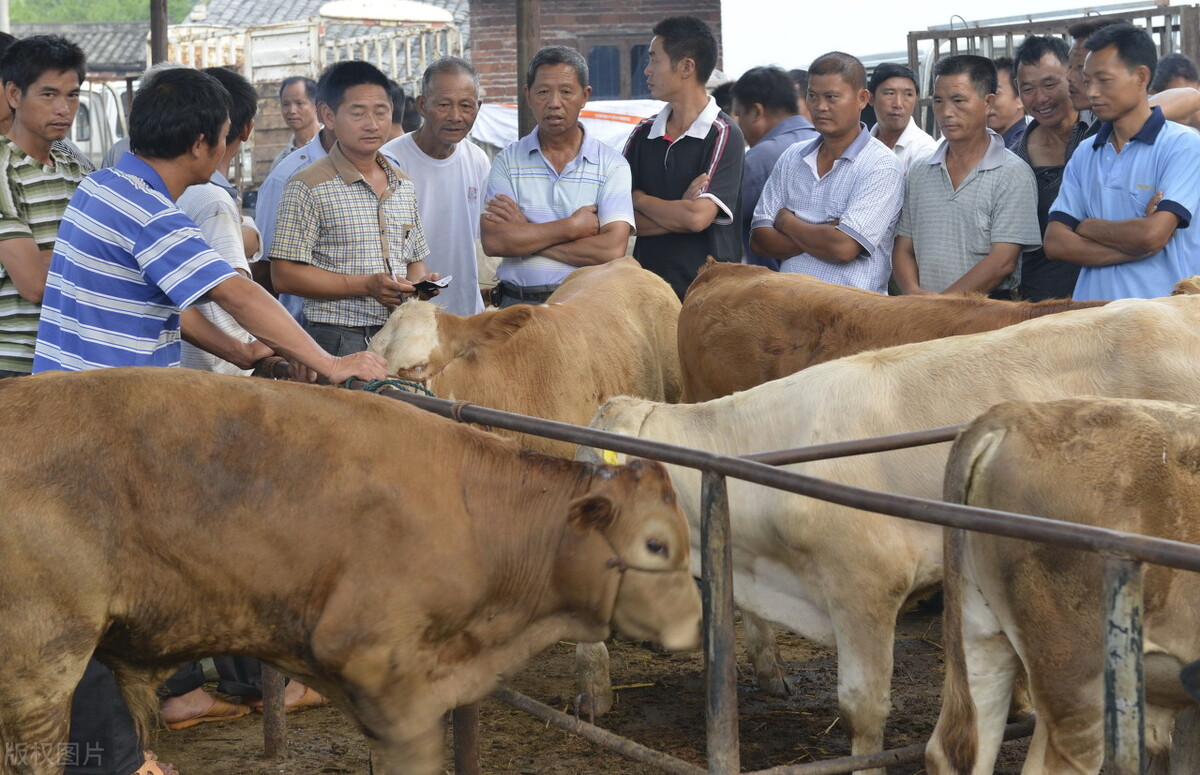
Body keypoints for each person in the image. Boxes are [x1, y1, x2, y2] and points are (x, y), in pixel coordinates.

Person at [33, 66, 386, 383]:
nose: (225, 147)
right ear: (201, 143)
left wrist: (238, 351)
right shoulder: (153, 215)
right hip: (111, 405)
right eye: (224, 135)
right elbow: (237, 294)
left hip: (63, 391)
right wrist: (331, 364)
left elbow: (168, 304)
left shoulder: (101, 185)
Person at [270, 60, 436, 354]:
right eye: (358, 113)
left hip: (399, 334)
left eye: (381, 112)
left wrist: (419, 284)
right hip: (336, 339)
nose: (373, 124)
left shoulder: (402, 184)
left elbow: (414, 261)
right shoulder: (306, 185)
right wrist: (365, 285)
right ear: (328, 116)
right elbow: (283, 275)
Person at [1044, 23, 1200, 301]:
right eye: (1088, 80)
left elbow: (1152, 235)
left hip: (1160, 328)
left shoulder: (1183, 146)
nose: (1092, 92)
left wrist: (1085, 226)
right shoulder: (1085, 152)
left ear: (1141, 77)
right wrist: (1135, 245)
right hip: (1092, 323)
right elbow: (1055, 242)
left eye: (1104, 81)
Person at [481, 46, 633, 307]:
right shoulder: (507, 161)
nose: (554, 102)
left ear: (585, 96)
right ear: (528, 95)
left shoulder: (611, 165)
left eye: (566, 91)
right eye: (543, 92)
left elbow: (610, 250)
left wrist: (526, 233)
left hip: (584, 311)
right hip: (516, 309)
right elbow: (495, 241)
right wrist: (571, 228)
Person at [748, 52, 903, 294]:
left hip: (849, 315)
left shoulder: (881, 165)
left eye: (832, 97)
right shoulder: (792, 156)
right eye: (812, 96)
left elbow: (843, 248)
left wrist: (786, 221)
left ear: (862, 98)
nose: (820, 107)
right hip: (787, 308)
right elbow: (759, 239)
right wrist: (825, 233)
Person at [893, 54, 1040, 297]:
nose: (946, 112)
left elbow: (1003, 261)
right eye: (938, 101)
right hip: (923, 313)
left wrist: (943, 305)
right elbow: (903, 248)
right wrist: (912, 293)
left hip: (986, 315)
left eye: (959, 100)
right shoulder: (920, 171)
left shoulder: (1012, 173)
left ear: (988, 102)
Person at [624, 15, 744, 298]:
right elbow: (618, 220)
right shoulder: (642, 134)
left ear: (686, 66)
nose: (647, 71)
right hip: (649, 293)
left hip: (708, 297)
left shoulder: (723, 133)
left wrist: (638, 198)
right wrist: (679, 207)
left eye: (654, 60)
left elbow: (696, 219)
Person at [382, 57, 490, 316]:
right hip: (408, 313)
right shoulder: (389, 161)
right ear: (422, 105)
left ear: (478, 107)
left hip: (466, 312)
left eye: (466, 106)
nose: (455, 116)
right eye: (443, 105)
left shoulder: (478, 159)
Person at [1011, 35, 1091, 301]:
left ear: (1071, 76)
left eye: (1049, 84)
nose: (1040, 98)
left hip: (1104, 291)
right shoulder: (1014, 158)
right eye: (1028, 89)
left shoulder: (1103, 131)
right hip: (1041, 302)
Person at [731, 65, 817, 270]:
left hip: (780, 286)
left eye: (740, 115)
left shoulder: (760, 159)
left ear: (757, 112)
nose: (739, 125)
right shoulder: (822, 141)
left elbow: (716, 217)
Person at [867, 62, 937, 174]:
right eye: (890, 93)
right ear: (870, 98)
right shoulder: (860, 147)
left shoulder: (925, 150)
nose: (898, 104)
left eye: (908, 95)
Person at [270, 75, 319, 170]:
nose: (292, 110)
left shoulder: (334, 148)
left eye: (299, 103)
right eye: (286, 104)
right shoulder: (281, 162)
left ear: (316, 105)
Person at [988, 56, 1028, 148]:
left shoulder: (1023, 147)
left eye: (996, 93)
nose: (988, 102)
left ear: (1020, 98)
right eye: (983, 94)